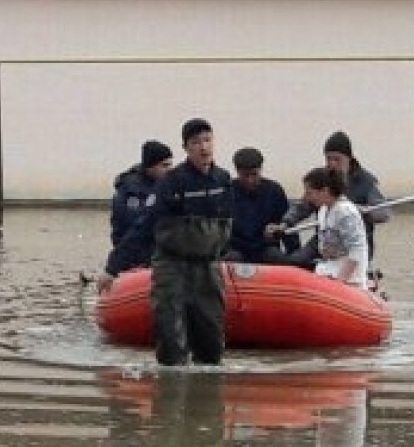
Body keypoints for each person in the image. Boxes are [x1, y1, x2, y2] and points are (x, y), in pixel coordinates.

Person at [98, 118, 233, 366]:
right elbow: (145, 224)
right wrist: (112, 267)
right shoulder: (172, 182)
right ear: (186, 148)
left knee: (211, 339)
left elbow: (231, 224)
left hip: (208, 266)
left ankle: (207, 398)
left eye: (207, 140)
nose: (203, 147)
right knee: (171, 338)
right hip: (173, 266)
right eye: (195, 142)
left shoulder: (223, 180)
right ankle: (170, 392)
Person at [268, 130, 390, 266]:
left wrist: (359, 211)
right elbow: (302, 206)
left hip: (353, 241)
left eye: (337, 159)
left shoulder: (365, 181)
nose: (332, 163)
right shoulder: (321, 178)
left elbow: (383, 214)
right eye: (328, 158)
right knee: (295, 261)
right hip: (325, 237)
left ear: (349, 158)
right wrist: (286, 223)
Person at [225, 147, 299, 263]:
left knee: (277, 258)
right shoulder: (227, 191)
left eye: (254, 174)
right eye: (245, 175)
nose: (250, 180)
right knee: (230, 260)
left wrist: (294, 255)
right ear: (237, 171)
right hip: (236, 249)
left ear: (261, 169)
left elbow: (287, 225)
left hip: (265, 248)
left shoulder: (274, 190)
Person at [301, 166, 368, 288]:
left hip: (349, 276)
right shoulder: (323, 210)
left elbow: (357, 249)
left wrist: (340, 282)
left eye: (309, 193)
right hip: (330, 266)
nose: (307, 197)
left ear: (325, 191)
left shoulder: (345, 212)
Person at [110, 140, 173, 248]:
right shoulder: (130, 191)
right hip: (135, 253)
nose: (170, 170)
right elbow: (130, 227)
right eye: (165, 165)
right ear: (150, 167)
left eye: (170, 165)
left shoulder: (167, 185)